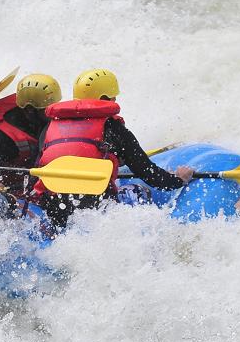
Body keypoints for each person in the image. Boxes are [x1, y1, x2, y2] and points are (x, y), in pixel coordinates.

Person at [34, 68, 194, 228]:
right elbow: (149, 174)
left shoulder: (50, 127)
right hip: (95, 211)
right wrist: (178, 179)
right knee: (138, 191)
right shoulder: (113, 128)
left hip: (53, 210)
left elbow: (41, 167)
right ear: (105, 99)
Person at [0, 73, 60, 198]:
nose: (54, 112)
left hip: (37, 180)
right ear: (29, 110)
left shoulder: (39, 118)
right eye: (48, 109)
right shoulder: (0, 138)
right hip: (13, 190)